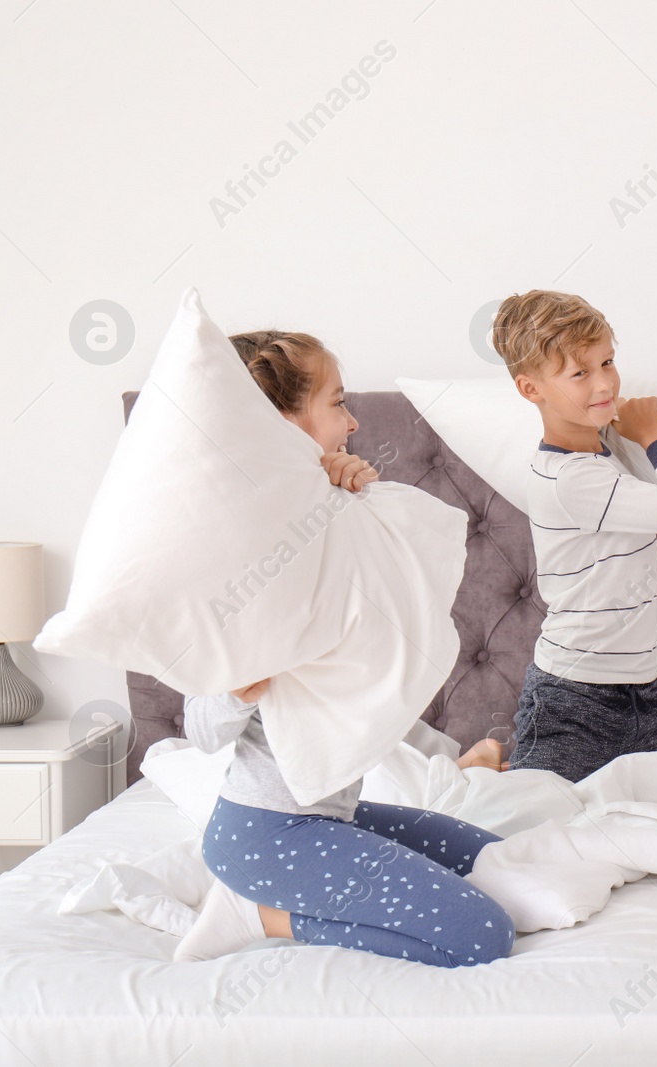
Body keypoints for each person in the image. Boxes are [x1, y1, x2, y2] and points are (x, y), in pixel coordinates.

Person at [175, 329, 516, 966]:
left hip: (328, 819)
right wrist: (235, 688)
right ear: (284, 425)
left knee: (496, 859)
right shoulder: (247, 562)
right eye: (337, 403)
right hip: (266, 833)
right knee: (481, 935)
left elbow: (374, 651)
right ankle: (257, 914)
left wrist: (339, 504)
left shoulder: (322, 527)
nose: (354, 421)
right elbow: (199, 728)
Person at [493, 291, 657, 782]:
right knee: (533, 829)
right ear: (531, 389)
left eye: (608, 362)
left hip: (649, 695)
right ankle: (484, 765)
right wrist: (656, 436)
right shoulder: (573, 478)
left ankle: (498, 766)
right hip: (573, 699)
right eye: (580, 373)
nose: (605, 383)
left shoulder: (600, 450)